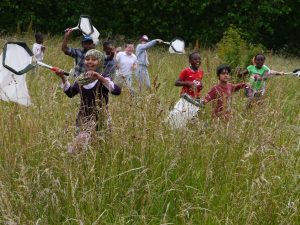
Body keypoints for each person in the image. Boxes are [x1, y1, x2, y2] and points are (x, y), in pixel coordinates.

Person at [55, 49, 121, 153]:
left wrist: (100, 78)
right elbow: (70, 93)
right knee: (76, 150)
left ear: (99, 62)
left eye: (94, 59)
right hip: (83, 119)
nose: (90, 61)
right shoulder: (81, 79)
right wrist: (63, 78)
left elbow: (117, 91)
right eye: (87, 59)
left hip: (101, 118)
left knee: (100, 150)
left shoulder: (104, 78)